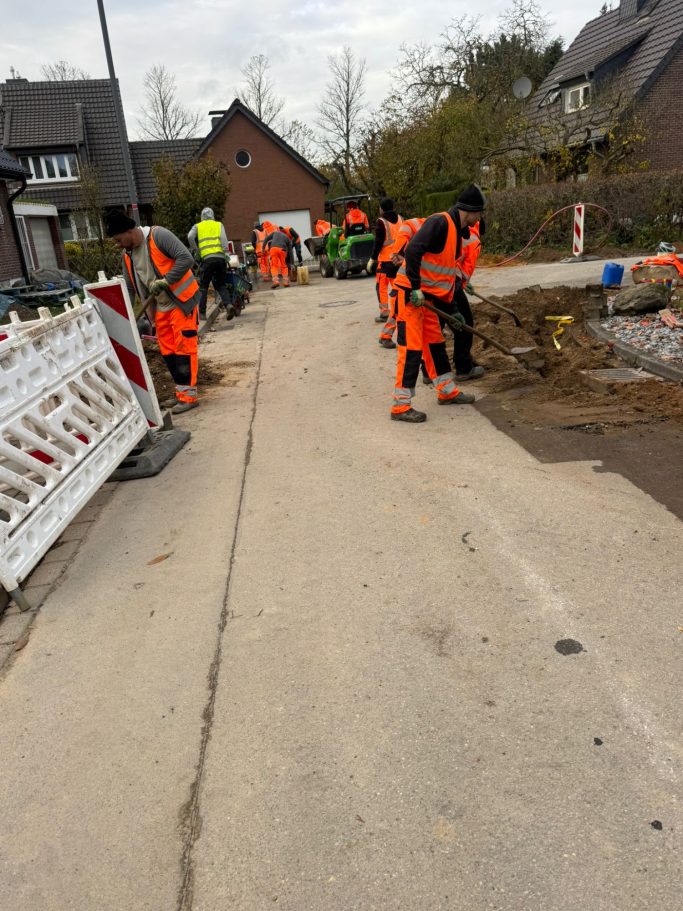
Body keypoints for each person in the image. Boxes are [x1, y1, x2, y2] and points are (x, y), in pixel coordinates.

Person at [389, 184, 486, 423]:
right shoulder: (440, 223)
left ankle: (446, 390)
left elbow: (444, 276)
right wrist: (414, 287)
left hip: (428, 299)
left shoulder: (455, 231)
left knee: (435, 344)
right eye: (480, 213)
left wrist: (453, 310)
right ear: (471, 211)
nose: (480, 218)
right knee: (411, 349)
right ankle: (400, 406)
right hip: (410, 297)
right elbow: (412, 250)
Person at [105, 210, 201, 414]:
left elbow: (185, 258)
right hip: (160, 308)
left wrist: (166, 280)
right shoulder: (127, 255)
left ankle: (189, 397)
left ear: (130, 231)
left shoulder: (158, 236)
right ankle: (181, 393)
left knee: (184, 349)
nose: (118, 244)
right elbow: (130, 288)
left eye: (119, 239)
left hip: (181, 301)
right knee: (169, 353)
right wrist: (125, 316)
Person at [378, 216, 425, 350]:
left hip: (399, 275)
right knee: (398, 312)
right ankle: (385, 336)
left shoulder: (406, 231)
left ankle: (386, 336)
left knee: (397, 311)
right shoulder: (402, 225)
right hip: (401, 281)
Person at [187, 207, 235, 321]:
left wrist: (197, 251)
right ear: (212, 215)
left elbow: (189, 237)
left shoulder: (198, 226)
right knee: (220, 284)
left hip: (207, 260)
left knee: (203, 286)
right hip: (220, 259)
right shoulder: (218, 225)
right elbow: (224, 240)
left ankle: (203, 314)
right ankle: (228, 305)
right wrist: (225, 254)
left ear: (202, 216)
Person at [367, 198, 403, 338]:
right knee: (396, 289)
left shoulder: (381, 222)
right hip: (398, 261)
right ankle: (394, 310)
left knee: (381, 286)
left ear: (382, 208)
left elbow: (378, 242)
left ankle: (385, 312)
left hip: (384, 261)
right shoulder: (401, 219)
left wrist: (372, 258)